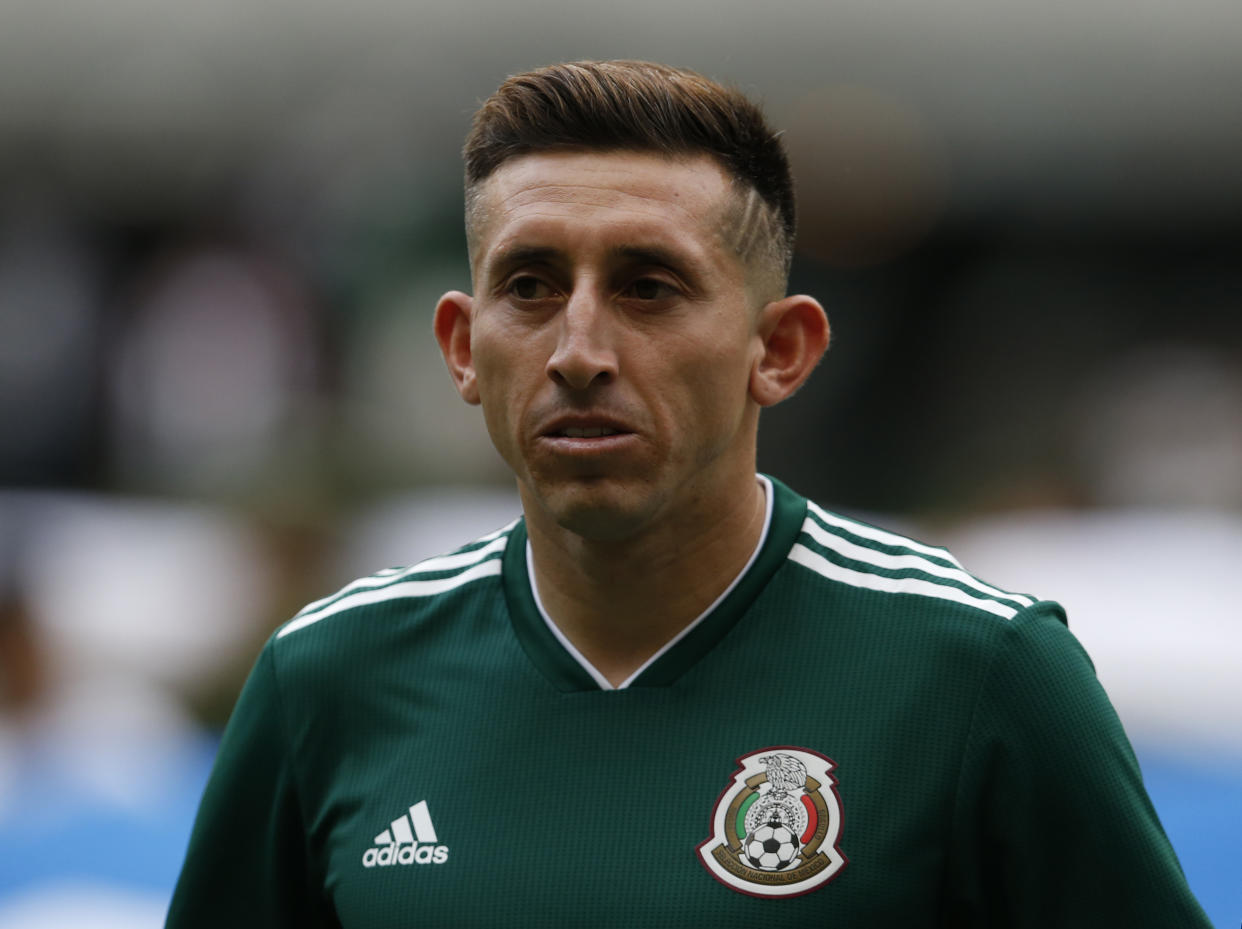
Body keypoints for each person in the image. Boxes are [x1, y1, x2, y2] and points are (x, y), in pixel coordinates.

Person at [166, 60, 1211, 928]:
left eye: (647, 287)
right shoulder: (327, 680)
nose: (578, 349)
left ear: (781, 348)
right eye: (529, 285)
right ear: (461, 345)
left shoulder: (977, 670)